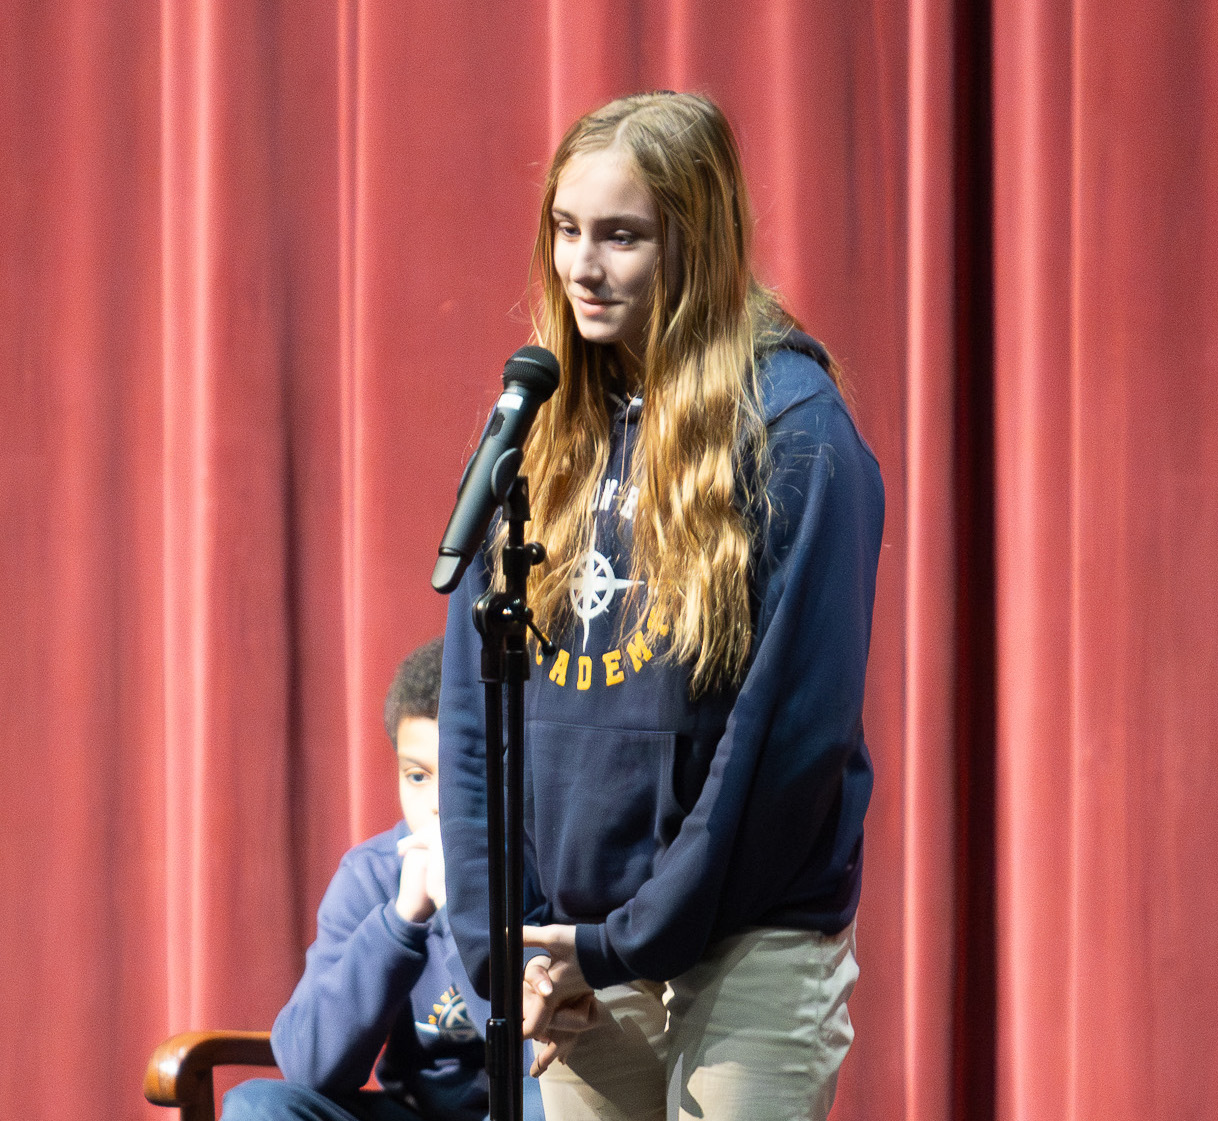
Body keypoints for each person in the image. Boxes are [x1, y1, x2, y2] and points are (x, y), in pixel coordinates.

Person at [438, 91, 884, 1121]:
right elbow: (476, 714)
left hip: (744, 948)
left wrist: (631, 937)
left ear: (699, 241)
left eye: (622, 237)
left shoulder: (796, 433)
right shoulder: (539, 428)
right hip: (576, 955)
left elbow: (782, 741)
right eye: (566, 230)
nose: (583, 266)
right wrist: (506, 947)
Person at [222, 638, 544, 1121]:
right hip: (411, 1112)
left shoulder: (545, 869)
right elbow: (310, 1067)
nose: (437, 802)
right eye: (418, 776)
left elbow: (538, 1060)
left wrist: (465, 915)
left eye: (459, 777)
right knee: (257, 1106)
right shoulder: (371, 875)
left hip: (523, 1108)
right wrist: (399, 924)